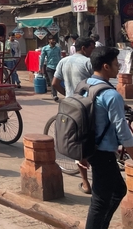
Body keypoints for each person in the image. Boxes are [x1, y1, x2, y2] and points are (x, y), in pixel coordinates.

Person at [83, 46, 133, 228]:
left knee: (117, 190)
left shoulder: (85, 85)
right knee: (100, 201)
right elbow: (124, 132)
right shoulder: (111, 95)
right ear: (105, 66)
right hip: (103, 153)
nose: (118, 67)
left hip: (89, 148)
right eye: (115, 64)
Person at [52, 35, 96, 194]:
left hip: (72, 108)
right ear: (84, 48)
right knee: (90, 141)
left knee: (79, 143)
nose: (93, 51)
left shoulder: (63, 61)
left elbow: (55, 83)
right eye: (91, 48)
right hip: (87, 107)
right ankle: (89, 181)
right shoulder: (88, 62)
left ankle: (85, 183)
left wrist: (68, 96)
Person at [40, 36, 62, 101]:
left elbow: (59, 57)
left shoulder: (58, 48)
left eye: (54, 40)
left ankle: (56, 92)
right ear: (49, 40)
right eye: (52, 40)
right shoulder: (45, 48)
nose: (53, 41)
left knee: (58, 81)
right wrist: (40, 67)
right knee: (52, 81)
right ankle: (54, 95)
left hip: (57, 67)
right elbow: (42, 58)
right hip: (49, 67)